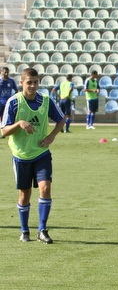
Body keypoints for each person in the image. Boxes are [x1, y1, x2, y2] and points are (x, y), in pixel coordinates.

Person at [1, 68, 65, 243]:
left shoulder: (45, 100)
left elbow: (61, 118)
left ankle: (42, 230)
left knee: (45, 188)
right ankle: (24, 230)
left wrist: (52, 136)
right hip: (21, 156)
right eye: (29, 82)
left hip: (41, 154)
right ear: (21, 83)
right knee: (25, 194)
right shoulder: (13, 102)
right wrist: (20, 123)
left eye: (36, 82)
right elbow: (4, 131)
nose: (33, 85)